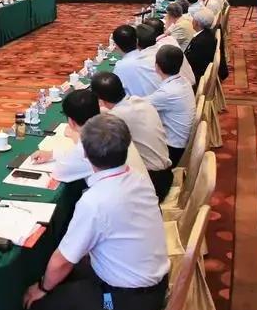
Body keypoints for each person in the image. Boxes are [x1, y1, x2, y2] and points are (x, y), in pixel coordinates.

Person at [23, 115, 168, 310]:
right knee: (66, 280)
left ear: (85, 155)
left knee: (39, 305)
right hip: (151, 281)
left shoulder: (96, 202)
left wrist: (42, 288)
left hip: (126, 299)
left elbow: (62, 261)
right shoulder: (138, 178)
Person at [90, 72, 173, 200]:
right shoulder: (140, 101)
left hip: (151, 184)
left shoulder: (115, 118)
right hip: (165, 173)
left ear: (100, 100)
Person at [28, 89, 107, 183]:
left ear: (71, 122)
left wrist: (75, 136)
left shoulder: (84, 149)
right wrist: (52, 154)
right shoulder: (111, 128)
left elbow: (59, 173)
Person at [144, 46, 196, 167]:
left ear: (156, 67)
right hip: (181, 141)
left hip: (173, 150)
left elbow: (138, 106)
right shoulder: (184, 81)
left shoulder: (168, 92)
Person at [112, 25, 152, 97]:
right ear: (137, 41)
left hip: (137, 102)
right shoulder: (150, 57)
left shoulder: (120, 67)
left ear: (116, 46)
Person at [183, 10, 218, 83]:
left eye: (193, 19)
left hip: (194, 76)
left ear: (197, 23)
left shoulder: (200, 42)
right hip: (200, 69)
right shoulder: (208, 34)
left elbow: (190, 63)